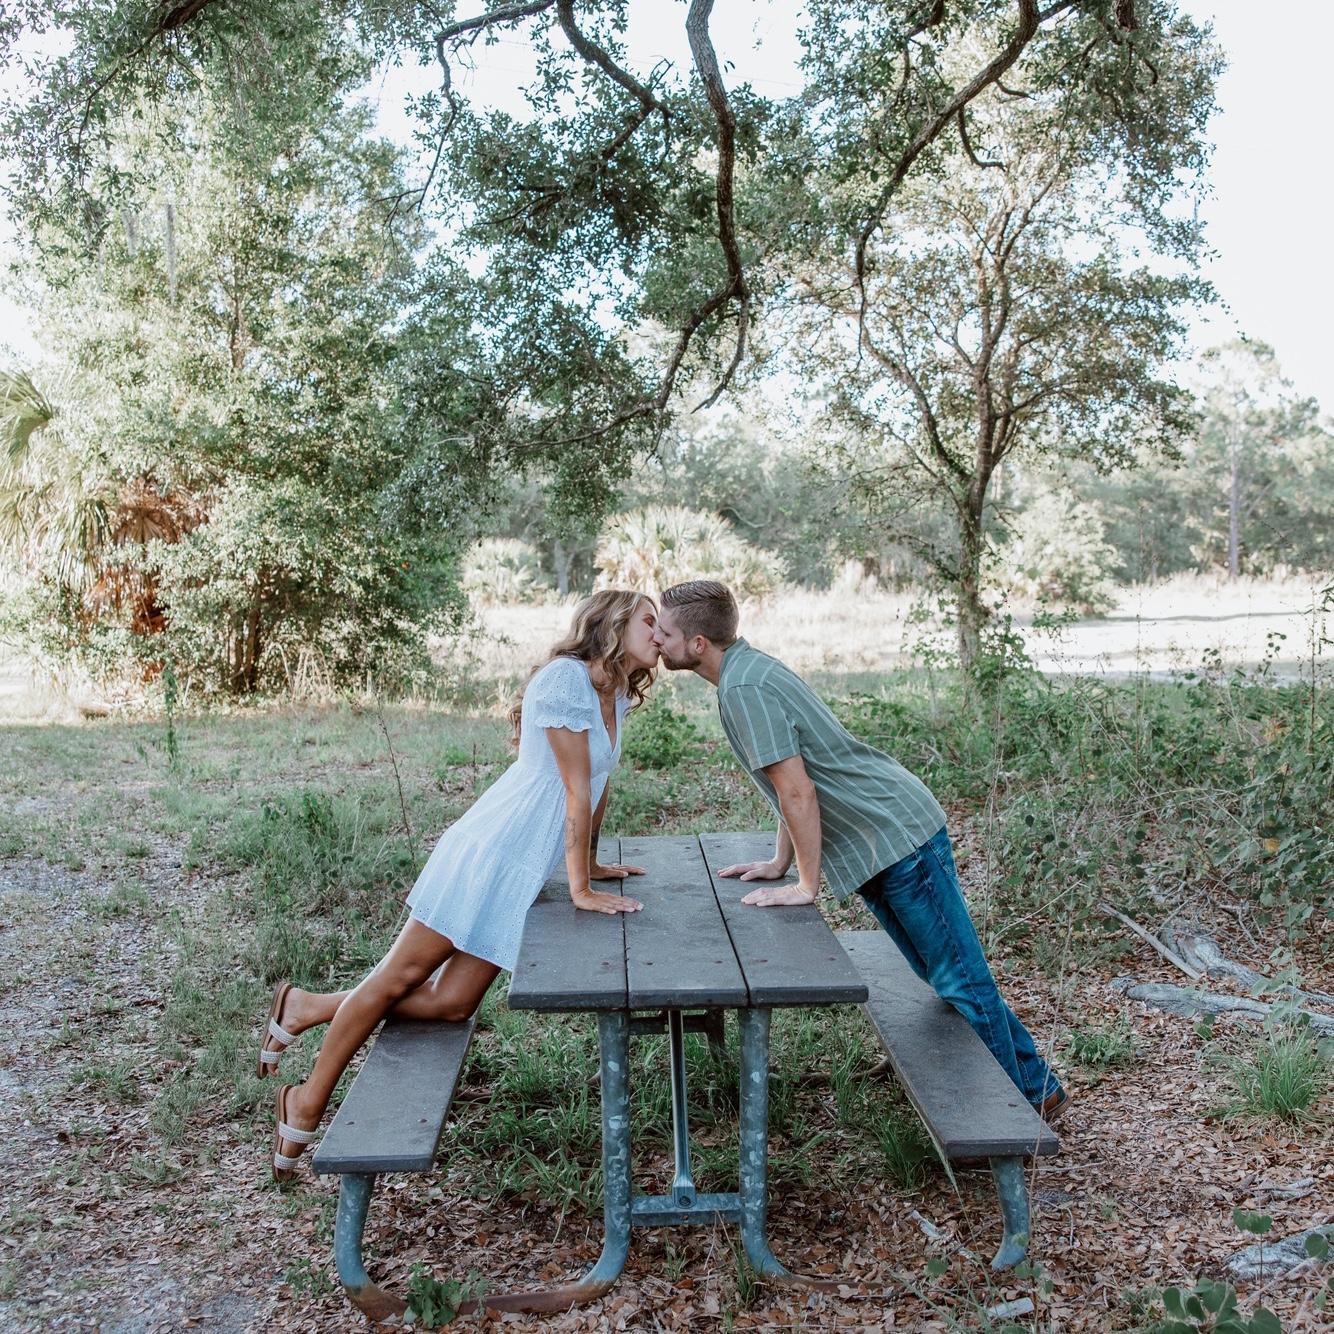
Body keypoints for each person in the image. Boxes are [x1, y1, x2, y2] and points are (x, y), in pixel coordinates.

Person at [259, 589, 660, 1181]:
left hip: (521, 870)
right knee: (396, 977)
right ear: (615, 624)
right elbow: (573, 790)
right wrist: (579, 890)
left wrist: (593, 862)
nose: (659, 632)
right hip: (490, 853)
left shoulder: (616, 691)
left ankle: (308, 1006)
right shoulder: (564, 681)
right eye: (649, 621)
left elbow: (597, 784)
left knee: (452, 1004)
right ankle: (306, 1101)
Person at [651, 579, 1066, 1119]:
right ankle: (1037, 1087)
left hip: (897, 838)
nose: (656, 640)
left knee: (960, 979)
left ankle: (1014, 1115)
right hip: (879, 842)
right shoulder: (745, 672)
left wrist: (806, 884)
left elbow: (797, 790)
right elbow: (792, 782)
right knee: (948, 976)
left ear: (698, 643)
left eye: (664, 632)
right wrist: (780, 862)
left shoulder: (743, 688)